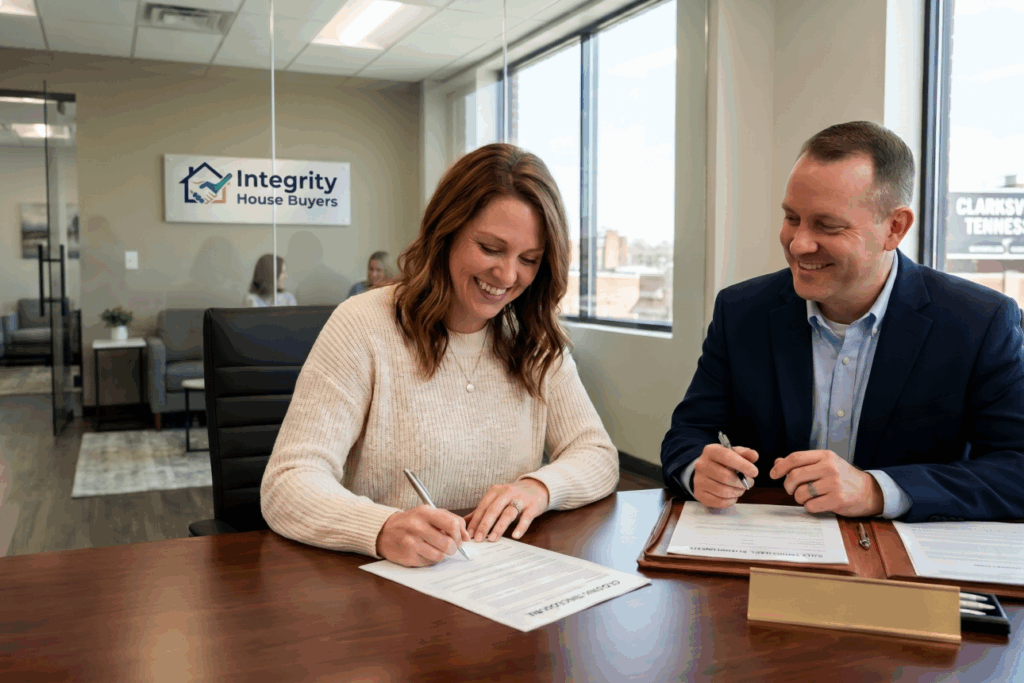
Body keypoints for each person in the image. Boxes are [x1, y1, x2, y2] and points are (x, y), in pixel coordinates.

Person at [261, 143, 619, 567]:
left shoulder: (534, 336)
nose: (506, 275)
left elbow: (596, 453)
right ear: (445, 233)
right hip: (387, 582)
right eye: (489, 248)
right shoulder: (363, 324)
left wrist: (538, 488)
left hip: (497, 578)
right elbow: (287, 483)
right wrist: (380, 527)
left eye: (529, 259)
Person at [661, 121, 1024, 523]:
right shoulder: (741, 310)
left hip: (905, 566)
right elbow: (688, 433)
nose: (799, 244)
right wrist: (699, 469)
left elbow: (1017, 470)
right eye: (792, 218)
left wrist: (876, 490)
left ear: (895, 228)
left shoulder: (979, 321)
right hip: (771, 552)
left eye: (827, 225)